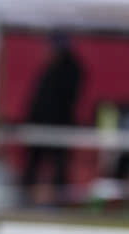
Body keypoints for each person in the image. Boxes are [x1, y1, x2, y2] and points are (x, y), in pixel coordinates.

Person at [20, 33, 84, 205]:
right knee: (34, 165)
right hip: (40, 125)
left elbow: (58, 101)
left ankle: (58, 202)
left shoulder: (70, 70)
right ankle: (26, 199)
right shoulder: (49, 68)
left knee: (58, 168)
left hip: (57, 126)